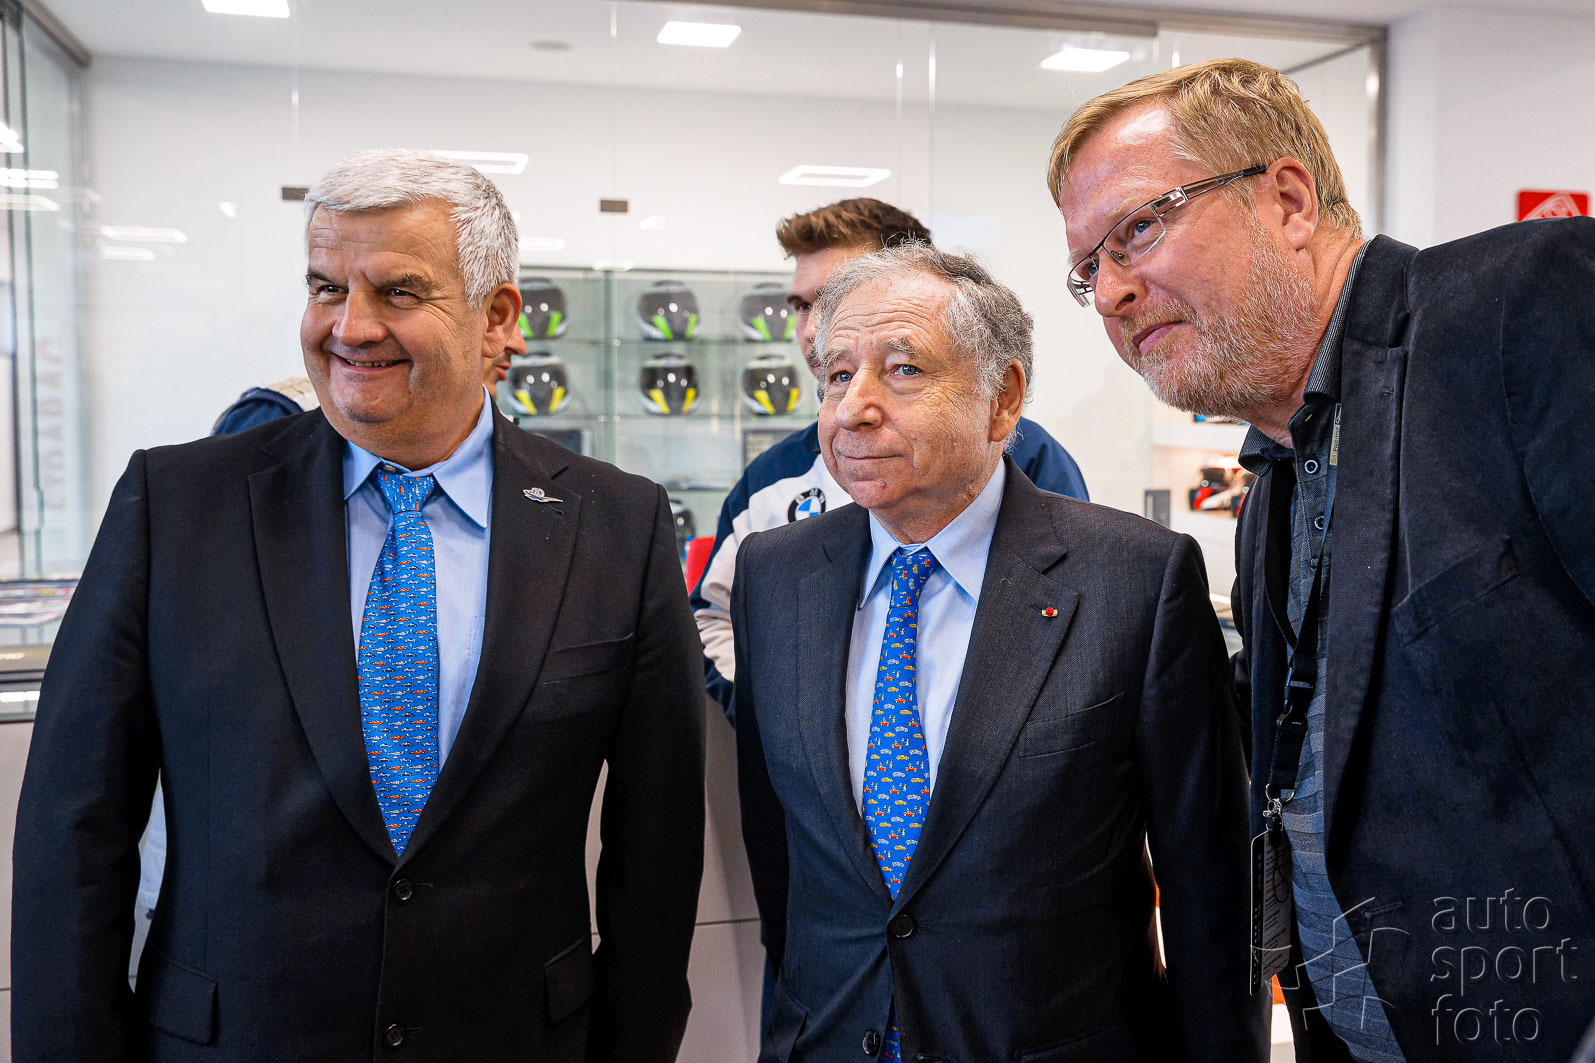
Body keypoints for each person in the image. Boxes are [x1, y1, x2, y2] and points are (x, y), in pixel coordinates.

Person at [13, 148, 705, 1061]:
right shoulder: (176, 506)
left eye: (398, 291)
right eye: (326, 287)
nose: (349, 327)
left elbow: (656, 848)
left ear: (498, 317)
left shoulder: (614, 521)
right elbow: (73, 827)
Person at [1051, 58, 1595, 1060]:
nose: (1112, 292)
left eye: (1137, 229)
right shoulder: (1271, 488)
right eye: (1088, 268)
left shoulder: (1521, 307)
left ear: (1289, 201)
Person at [732, 242, 1264, 1062]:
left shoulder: (1133, 579)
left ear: (1002, 398)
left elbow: (1209, 889)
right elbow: (779, 856)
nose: (852, 409)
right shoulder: (774, 575)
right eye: (837, 375)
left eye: (902, 370)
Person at [134, 302, 533, 920]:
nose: (519, 346)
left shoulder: (523, 480)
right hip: (246, 897)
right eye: (329, 288)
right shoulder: (275, 424)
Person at [692, 197, 1088, 714]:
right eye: (802, 305)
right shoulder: (773, 476)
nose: (812, 330)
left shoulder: (1026, 457)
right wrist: (780, 713)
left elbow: (1075, 607)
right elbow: (713, 615)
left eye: (836, 295)